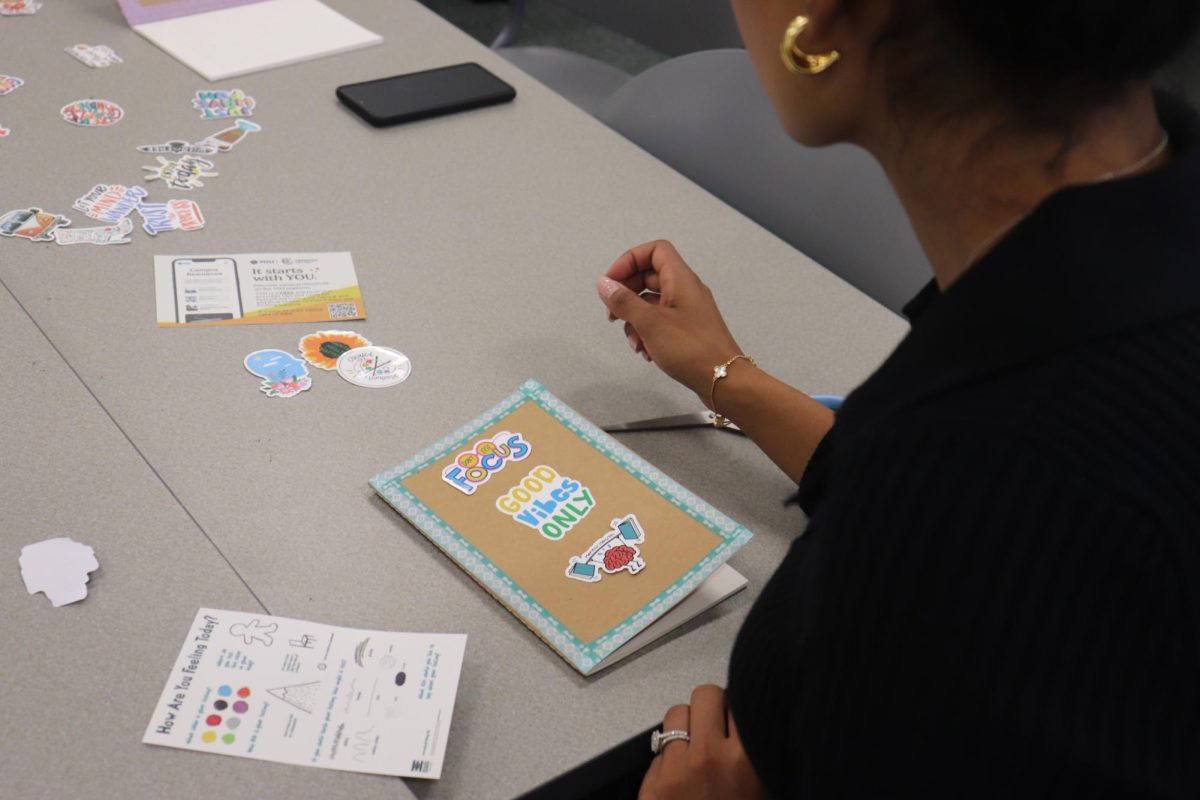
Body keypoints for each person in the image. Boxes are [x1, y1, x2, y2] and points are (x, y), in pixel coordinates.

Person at [592, 1, 1200, 797]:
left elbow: (974, 511)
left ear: (826, 25)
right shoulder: (1134, 223)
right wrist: (728, 376)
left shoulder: (968, 500)